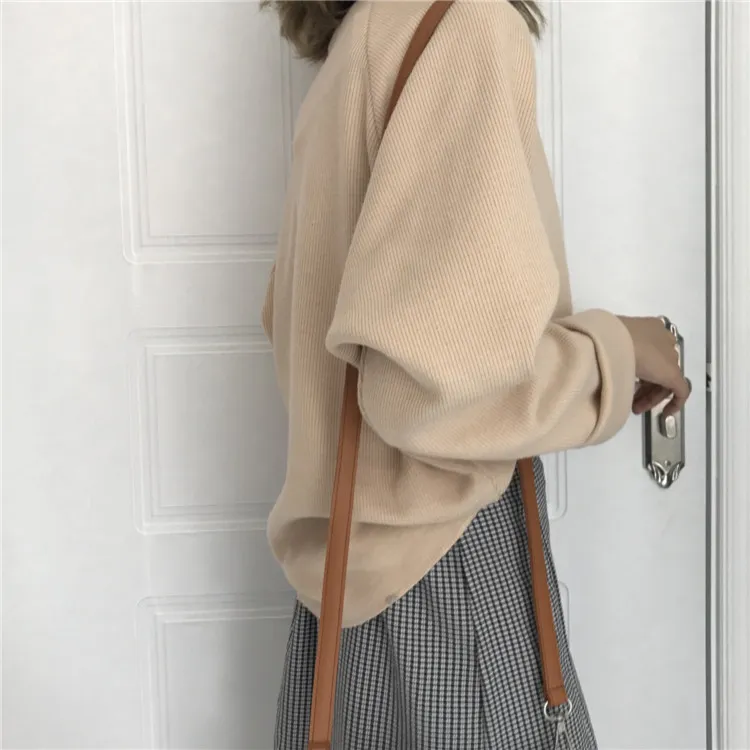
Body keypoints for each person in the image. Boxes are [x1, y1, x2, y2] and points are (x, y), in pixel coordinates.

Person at [260, 1, 692, 748]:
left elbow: (303, 324)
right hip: (446, 568)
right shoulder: (462, 26)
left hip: (353, 579)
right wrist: (614, 351)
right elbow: (434, 392)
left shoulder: (364, 37)